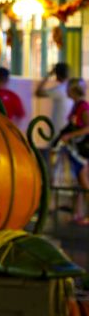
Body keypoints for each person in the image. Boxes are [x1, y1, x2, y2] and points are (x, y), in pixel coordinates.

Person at [54, 78, 89, 224]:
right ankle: (78, 214)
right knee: (79, 184)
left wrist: (70, 135)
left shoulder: (83, 106)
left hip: (84, 150)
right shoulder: (76, 105)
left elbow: (88, 127)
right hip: (78, 149)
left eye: (68, 88)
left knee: (83, 180)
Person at [36, 62, 70, 128]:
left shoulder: (60, 90)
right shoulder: (70, 86)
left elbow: (38, 93)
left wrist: (48, 75)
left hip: (59, 126)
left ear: (57, 74)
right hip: (68, 126)